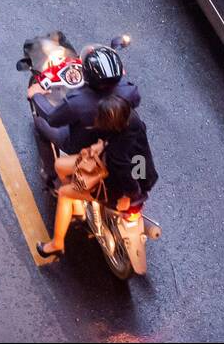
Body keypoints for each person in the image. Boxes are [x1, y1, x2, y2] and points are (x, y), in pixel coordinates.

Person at [37, 93, 158, 260]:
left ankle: (57, 244)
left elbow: (123, 174)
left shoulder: (117, 155)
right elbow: (138, 159)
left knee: (65, 193)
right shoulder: (133, 121)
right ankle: (79, 205)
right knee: (60, 166)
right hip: (144, 176)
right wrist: (102, 145)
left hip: (117, 188)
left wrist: (129, 195)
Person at [28, 44, 139, 155]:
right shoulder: (131, 91)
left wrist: (36, 95)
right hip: (113, 139)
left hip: (77, 146)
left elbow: (52, 119)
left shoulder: (77, 103)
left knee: (40, 123)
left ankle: (49, 170)